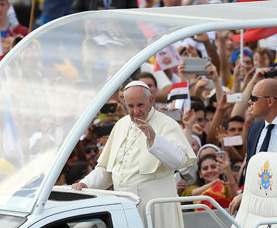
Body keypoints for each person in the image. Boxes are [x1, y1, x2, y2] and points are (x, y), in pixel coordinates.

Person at [72, 81, 196, 226]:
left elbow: (179, 161)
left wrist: (154, 139)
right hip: (125, 209)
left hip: (156, 211)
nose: (135, 111)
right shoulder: (120, 125)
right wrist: (86, 184)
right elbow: (107, 169)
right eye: (130, 106)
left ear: (151, 101)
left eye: (140, 105)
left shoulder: (167, 124)